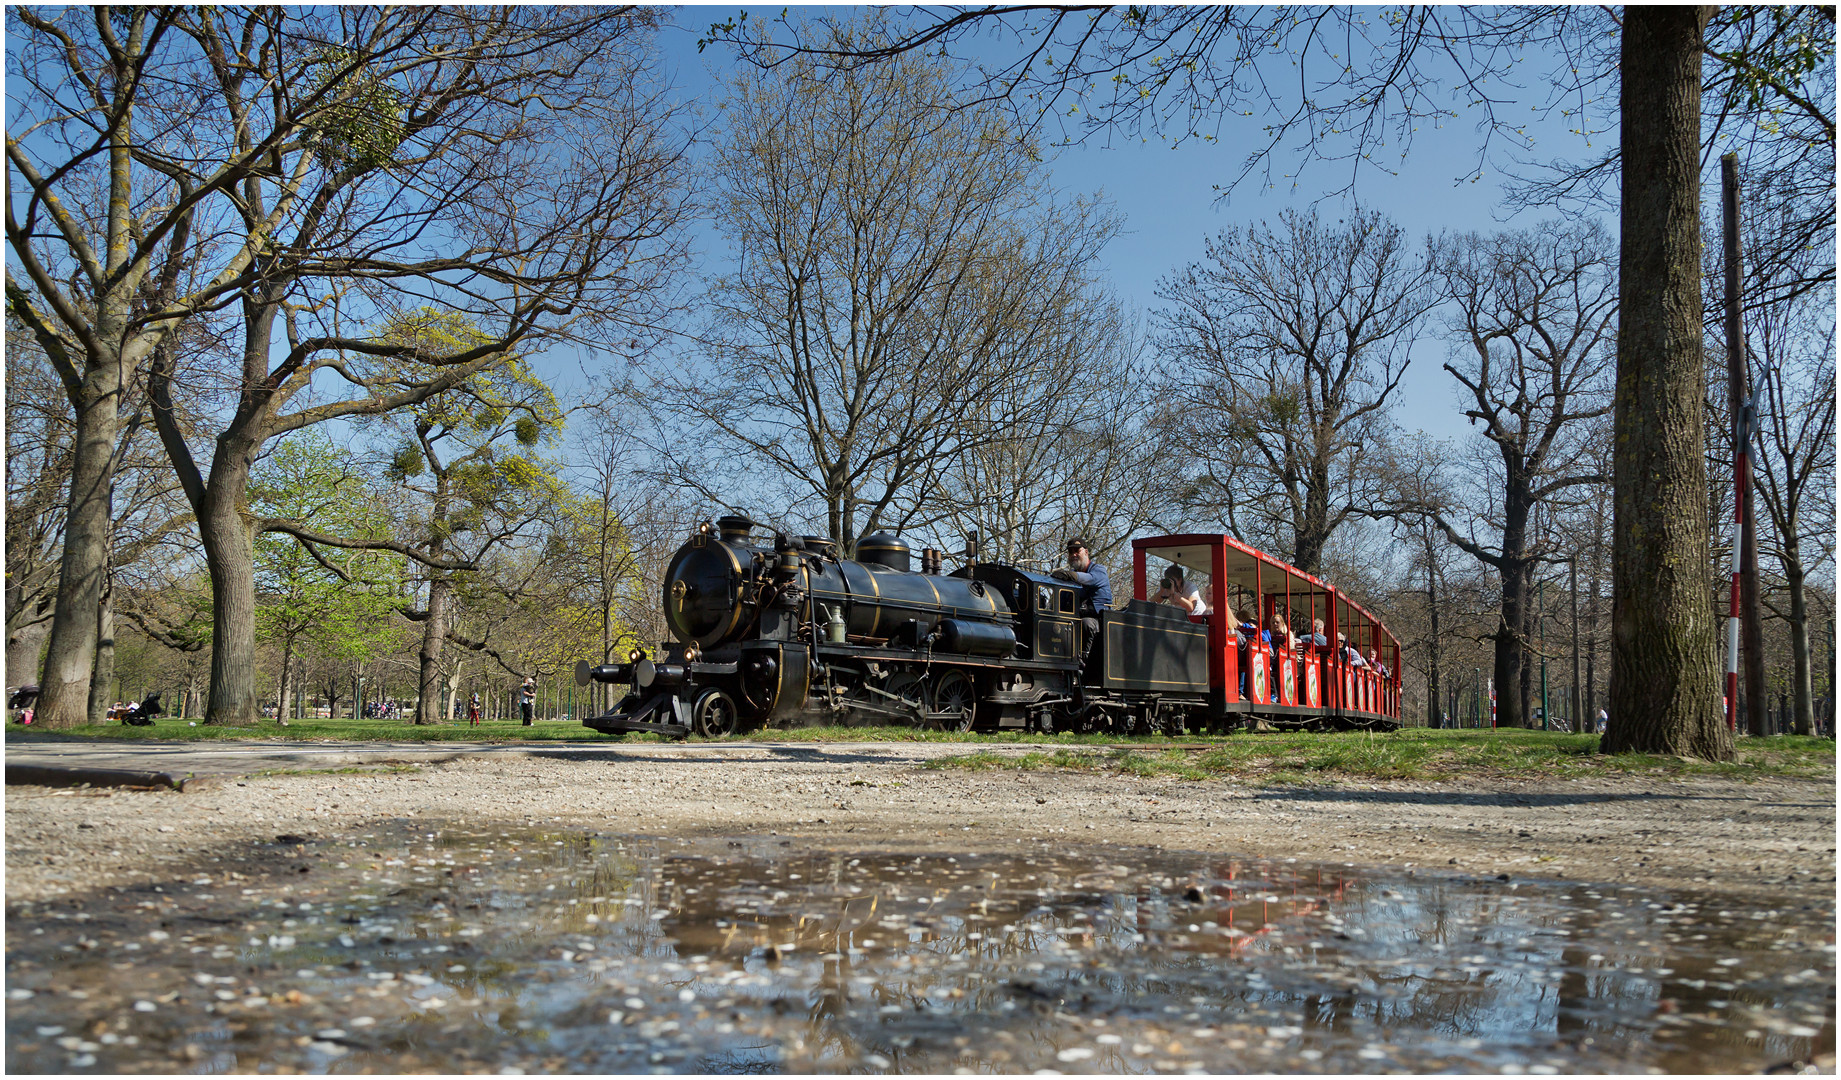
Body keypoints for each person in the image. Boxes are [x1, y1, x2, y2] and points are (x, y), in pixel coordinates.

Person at [1050, 538, 1110, 662]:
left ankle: (1085, 662)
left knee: (1086, 623)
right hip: (1073, 620)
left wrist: (1070, 575)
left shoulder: (1099, 570)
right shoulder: (1068, 579)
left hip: (1099, 623)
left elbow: (1090, 579)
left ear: (1086, 552)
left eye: (1077, 551)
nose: (1074, 555)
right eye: (1071, 552)